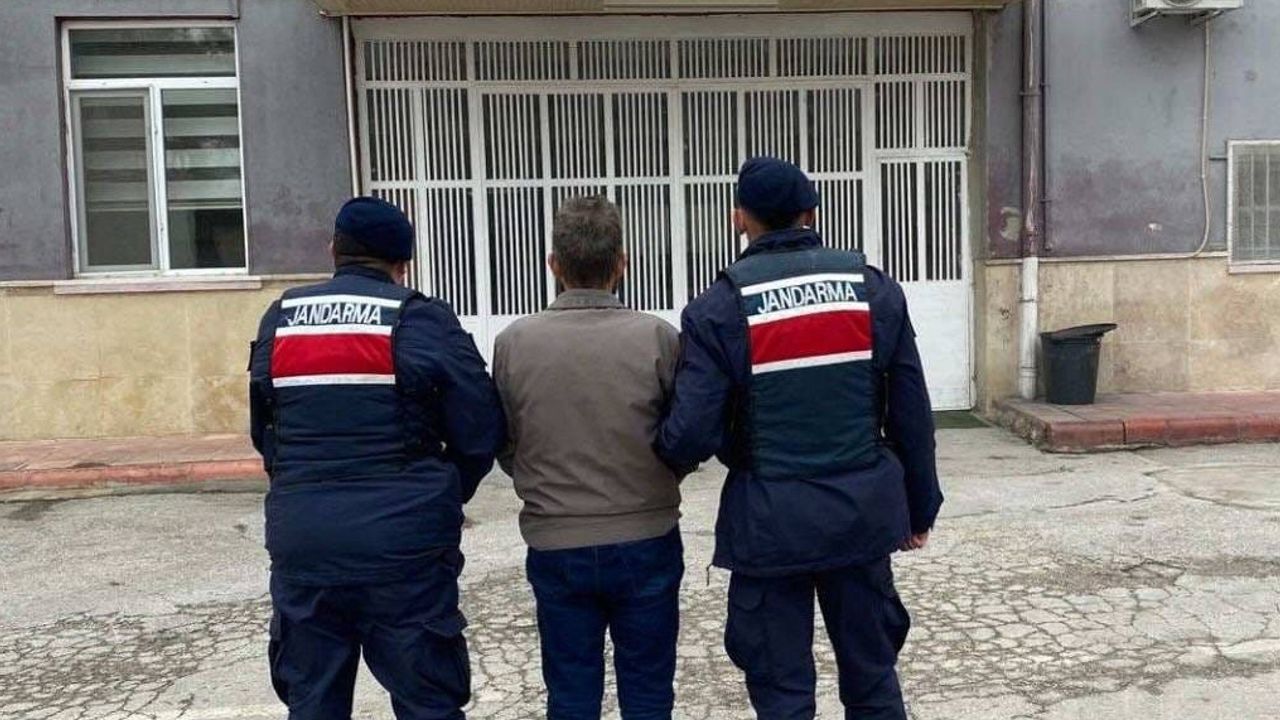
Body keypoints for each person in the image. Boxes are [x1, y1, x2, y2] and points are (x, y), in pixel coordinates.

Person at [655, 157, 943, 720]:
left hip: (769, 528)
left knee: (782, 695)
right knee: (874, 681)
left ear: (740, 218)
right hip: (861, 520)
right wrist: (920, 505)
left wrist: (662, 452)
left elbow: (690, 434)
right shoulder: (872, 290)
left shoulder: (718, 308)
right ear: (810, 213)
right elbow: (911, 410)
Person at [247, 196, 506, 720]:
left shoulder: (282, 318)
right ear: (403, 263)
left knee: (313, 704)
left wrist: (300, 487)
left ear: (333, 250)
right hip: (405, 549)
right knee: (428, 703)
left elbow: (266, 432)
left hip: (307, 546)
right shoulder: (422, 318)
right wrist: (442, 493)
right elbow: (481, 429)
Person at [493, 196, 684, 720]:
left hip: (556, 539)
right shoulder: (659, 338)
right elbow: (684, 433)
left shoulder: (513, 343)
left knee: (571, 695)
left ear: (553, 264)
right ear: (622, 264)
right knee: (648, 693)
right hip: (646, 535)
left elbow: (505, 439)